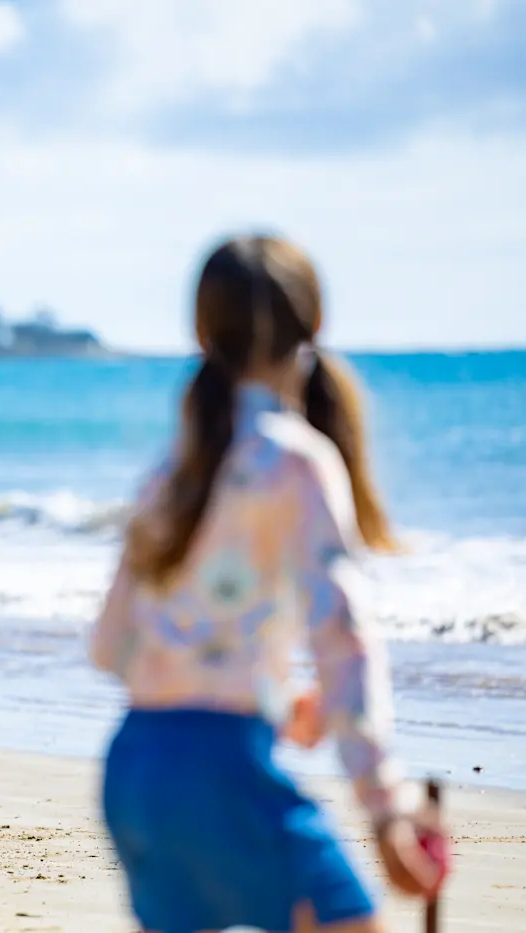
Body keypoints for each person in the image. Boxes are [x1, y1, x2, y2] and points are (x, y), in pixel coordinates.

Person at [89, 234, 448, 933]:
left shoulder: (173, 471)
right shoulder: (297, 461)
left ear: (201, 333)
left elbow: (110, 647)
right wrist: (386, 805)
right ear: (316, 323)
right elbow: (344, 639)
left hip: (136, 772)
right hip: (225, 773)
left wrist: (266, 695)